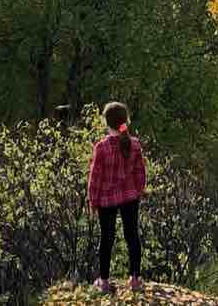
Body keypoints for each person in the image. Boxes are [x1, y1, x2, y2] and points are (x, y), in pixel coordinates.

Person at [87, 101, 146, 294]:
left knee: (107, 238)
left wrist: (93, 201)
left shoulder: (101, 147)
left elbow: (95, 178)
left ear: (106, 122)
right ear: (125, 120)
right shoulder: (134, 144)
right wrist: (137, 191)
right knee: (132, 236)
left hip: (106, 199)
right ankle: (135, 279)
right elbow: (140, 173)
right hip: (130, 196)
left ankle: (104, 281)